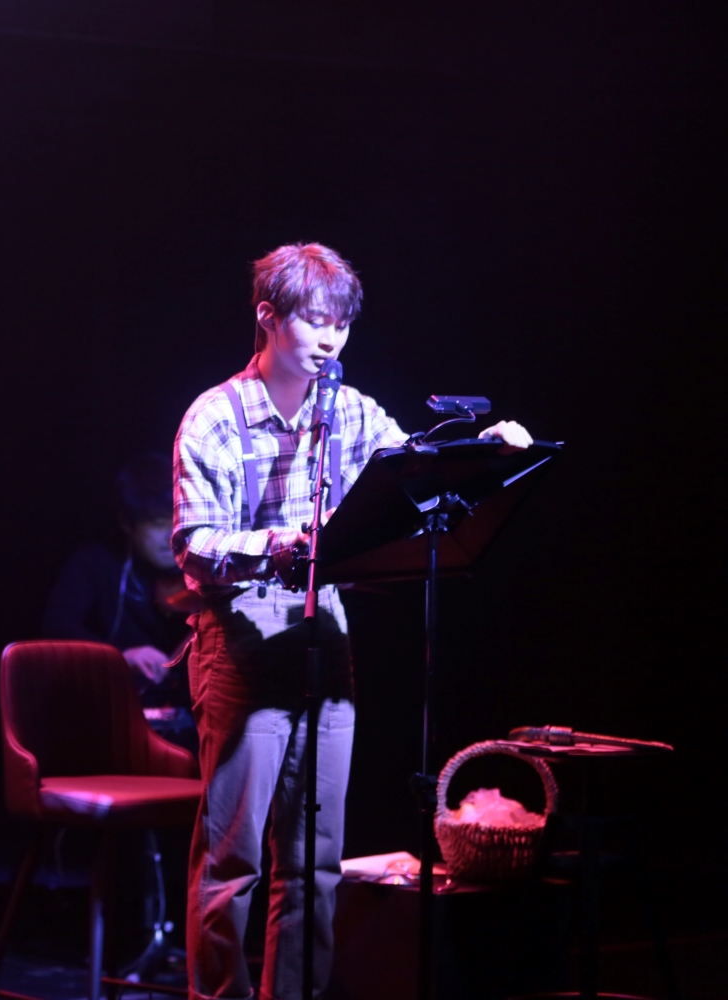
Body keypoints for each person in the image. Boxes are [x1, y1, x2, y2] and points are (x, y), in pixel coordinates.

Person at [172, 242, 531, 1000]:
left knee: (316, 862)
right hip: (241, 638)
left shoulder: (351, 409)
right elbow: (195, 546)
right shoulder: (215, 417)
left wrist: (485, 451)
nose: (331, 338)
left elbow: (413, 469)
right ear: (269, 317)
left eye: (341, 323)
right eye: (315, 320)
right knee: (233, 861)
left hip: (325, 632)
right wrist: (283, 543)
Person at [42, 452, 194, 742]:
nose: (171, 536)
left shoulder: (199, 570)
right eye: (158, 523)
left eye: (176, 521)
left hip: (192, 713)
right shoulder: (95, 564)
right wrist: (122, 656)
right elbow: (57, 625)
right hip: (115, 711)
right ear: (127, 523)